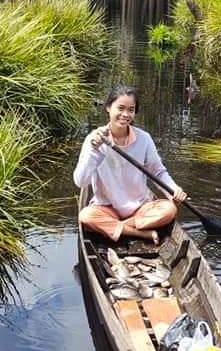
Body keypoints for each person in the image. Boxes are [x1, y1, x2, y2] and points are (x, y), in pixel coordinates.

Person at [74, 84, 187, 245]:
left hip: (139, 209)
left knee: (169, 209)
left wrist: (173, 191)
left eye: (131, 110)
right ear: (108, 108)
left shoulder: (144, 139)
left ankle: (117, 228)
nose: (125, 114)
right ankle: (140, 233)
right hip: (106, 208)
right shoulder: (94, 140)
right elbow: (81, 182)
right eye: (120, 108)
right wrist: (94, 150)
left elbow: (158, 172)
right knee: (86, 216)